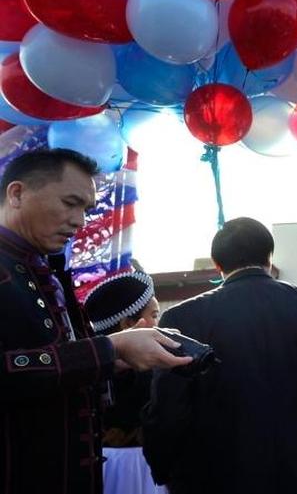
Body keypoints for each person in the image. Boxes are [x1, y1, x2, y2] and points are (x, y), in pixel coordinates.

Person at [0, 148, 189, 494]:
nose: (80, 221)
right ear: (16, 194)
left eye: (85, 209)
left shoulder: (47, 270)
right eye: (70, 202)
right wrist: (106, 349)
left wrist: (116, 360)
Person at [143, 217, 297, 494]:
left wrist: (162, 465)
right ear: (269, 256)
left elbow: (170, 406)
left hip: (215, 473)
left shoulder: (183, 317)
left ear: (217, 263)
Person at [83, 268, 166, 494]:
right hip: (139, 469)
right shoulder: (147, 369)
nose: (158, 323)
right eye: (155, 315)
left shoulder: (86, 366)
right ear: (128, 324)